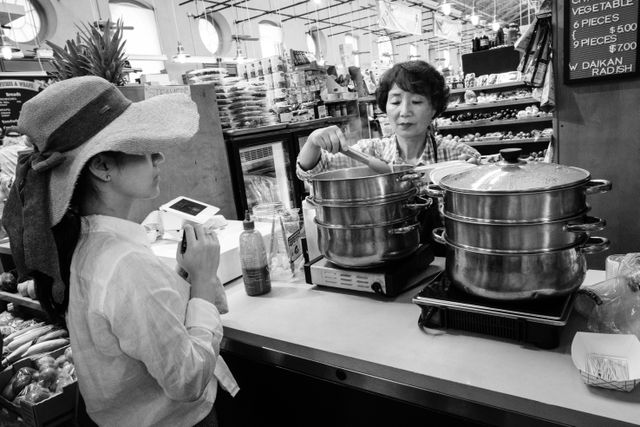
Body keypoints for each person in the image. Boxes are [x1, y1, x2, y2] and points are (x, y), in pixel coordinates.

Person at [2, 76, 238, 426]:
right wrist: (202, 280)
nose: (158, 156)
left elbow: (134, 324)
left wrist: (181, 277)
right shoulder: (125, 264)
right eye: (142, 146)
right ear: (101, 167)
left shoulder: (86, 244)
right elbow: (187, 378)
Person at [296, 60, 480, 178]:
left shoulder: (458, 155)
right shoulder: (369, 152)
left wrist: (477, 176)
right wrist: (313, 141)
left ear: (434, 108)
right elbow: (311, 171)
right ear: (385, 106)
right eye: (395, 101)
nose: (404, 111)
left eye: (416, 101)